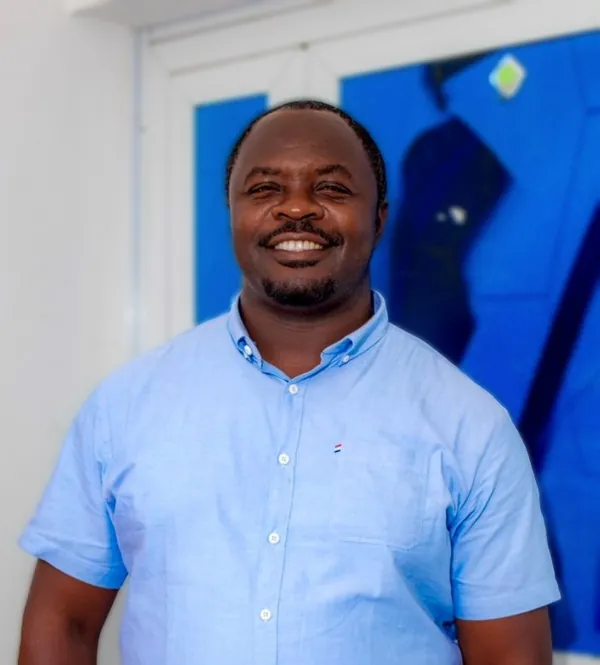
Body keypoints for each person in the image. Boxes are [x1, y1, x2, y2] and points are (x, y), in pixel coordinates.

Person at [18, 100, 560, 665]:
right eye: (264, 189)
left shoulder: (470, 426)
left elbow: (510, 657)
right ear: (233, 213)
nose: (297, 208)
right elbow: (63, 622)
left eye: (331, 189)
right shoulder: (125, 406)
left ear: (379, 219)